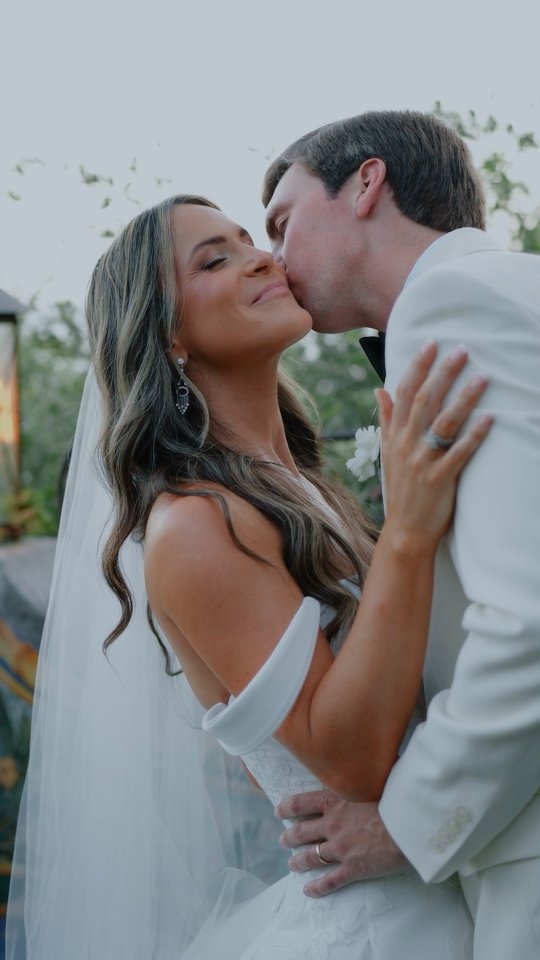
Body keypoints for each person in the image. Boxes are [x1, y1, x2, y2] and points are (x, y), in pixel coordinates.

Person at [6, 194, 490, 960]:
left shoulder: (296, 485)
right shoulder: (195, 524)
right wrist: (407, 530)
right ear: (168, 335)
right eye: (214, 258)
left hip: (452, 880)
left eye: (249, 240)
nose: (261, 256)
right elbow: (352, 757)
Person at [262, 109, 540, 959]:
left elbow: (527, 618)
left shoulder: (454, 303)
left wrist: (411, 821)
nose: (270, 259)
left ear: (366, 184)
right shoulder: (505, 289)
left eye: (282, 222)